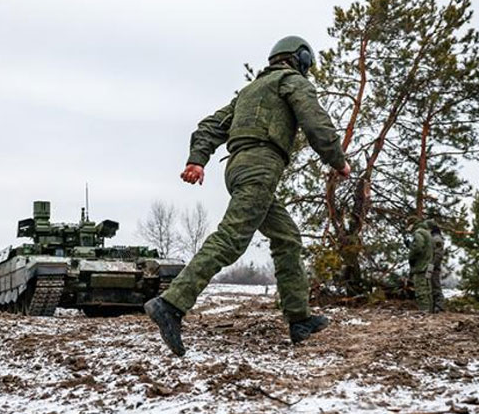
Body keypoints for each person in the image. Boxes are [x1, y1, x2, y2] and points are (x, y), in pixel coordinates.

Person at [145, 36, 350, 356]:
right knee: (231, 238)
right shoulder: (291, 81)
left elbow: (210, 126)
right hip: (260, 167)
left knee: (287, 238)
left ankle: (299, 320)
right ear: (300, 59)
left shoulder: (248, 92)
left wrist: (197, 160)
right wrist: (337, 160)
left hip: (239, 168)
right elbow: (315, 120)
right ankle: (170, 304)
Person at [408, 220, 434, 312]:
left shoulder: (418, 232)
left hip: (421, 266)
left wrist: (411, 256)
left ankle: (424, 310)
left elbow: (418, 248)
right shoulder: (427, 233)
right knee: (428, 287)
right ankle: (429, 309)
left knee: (421, 288)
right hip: (429, 264)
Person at [426, 219, 445, 312]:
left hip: (434, 266)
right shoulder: (433, 238)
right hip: (432, 265)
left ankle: (439, 307)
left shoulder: (436, 239)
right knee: (432, 286)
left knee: (435, 286)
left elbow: (438, 254)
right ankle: (434, 307)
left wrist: (432, 264)